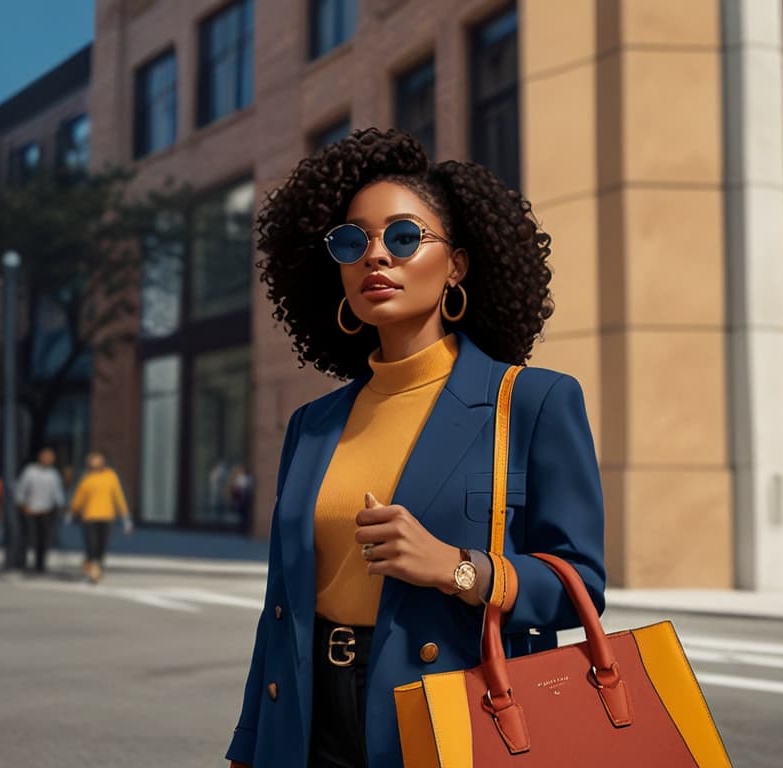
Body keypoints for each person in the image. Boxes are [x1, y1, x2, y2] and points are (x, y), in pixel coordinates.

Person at [225, 129, 606, 768]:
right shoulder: (313, 424)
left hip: (448, 710)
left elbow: (582, 586)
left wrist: (458, 568)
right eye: (354, 242)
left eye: (403, 237)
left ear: (455, 264)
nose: (376, 256)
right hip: (302, 717)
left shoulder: (533, 401)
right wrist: (248, 746)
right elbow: (279, 612)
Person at [68, 451, 132, 583]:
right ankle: (92, 571)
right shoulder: (87, 478)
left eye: (97, 460)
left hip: (107, 516)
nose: (95, 462)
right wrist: (72, 511)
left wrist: (125, 517)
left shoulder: (111, 477)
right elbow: (79, 497)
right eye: (92, 460)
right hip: (90, 517)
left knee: (102, 545)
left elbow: (118, 496)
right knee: (92, 545)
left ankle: (97, 569)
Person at [14, 447, 65, 574]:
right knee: (29, 539)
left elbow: (57, 493)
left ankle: (40, 566)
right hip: (31, 511)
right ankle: (23, 563)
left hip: (46, 512)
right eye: (46, 456)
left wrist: (61, 506)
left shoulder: (53, 474)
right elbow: (21, 489)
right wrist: (22, 504)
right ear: (40, 457)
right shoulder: (30, 471)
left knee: (44, 540)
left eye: (51, 457)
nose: (49, 459)